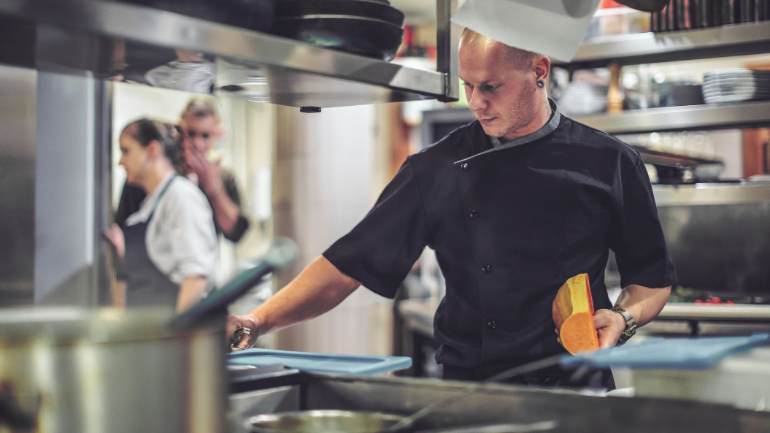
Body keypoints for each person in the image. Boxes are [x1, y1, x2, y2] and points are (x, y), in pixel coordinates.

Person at [228, 29, 675, 387]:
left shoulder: (610, 161)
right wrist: (257, 320)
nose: (475, 102)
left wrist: (621, 318)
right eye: (466, 85)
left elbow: (651, 283)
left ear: (539, 69)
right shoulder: (436, 169)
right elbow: (348, 264)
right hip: (474, 389)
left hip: (581, 384)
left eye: (490, 87)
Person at [105, 119, 218, 312]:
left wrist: (179, 339)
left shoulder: (181, 196)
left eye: (126, 151)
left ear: (152, 150)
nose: (120, 161)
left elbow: (196, 277)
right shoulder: (150, 205)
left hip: (170, 338)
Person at [115, 98, 250, 244]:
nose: (197, 144)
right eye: (191, 134)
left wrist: (214, 189)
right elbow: (124, 227)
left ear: (216, 135)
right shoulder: (151, 175)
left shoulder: (224, 178)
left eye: (205, 136)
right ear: (180, 131)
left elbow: (236, 233)